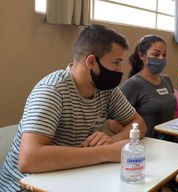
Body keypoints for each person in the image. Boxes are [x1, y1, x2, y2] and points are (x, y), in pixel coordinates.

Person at [0, 24, 147, 191]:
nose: (121, 70)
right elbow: (29, 159)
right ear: (91, 61)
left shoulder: (107, 90)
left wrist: (111, 142)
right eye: (116, 62)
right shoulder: (52, 90)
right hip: (24, 186)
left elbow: (138, 123)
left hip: (70, 178)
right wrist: (108, 152)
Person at [119, 34, 176, 137]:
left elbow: (171, 113)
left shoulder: (166, 80)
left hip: (168, 143)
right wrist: (135, 138)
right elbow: (112, 122)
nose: (161, 58)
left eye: (164, 54)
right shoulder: (133, 84)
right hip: (146, 145)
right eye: (156, 54)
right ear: (142, 56)